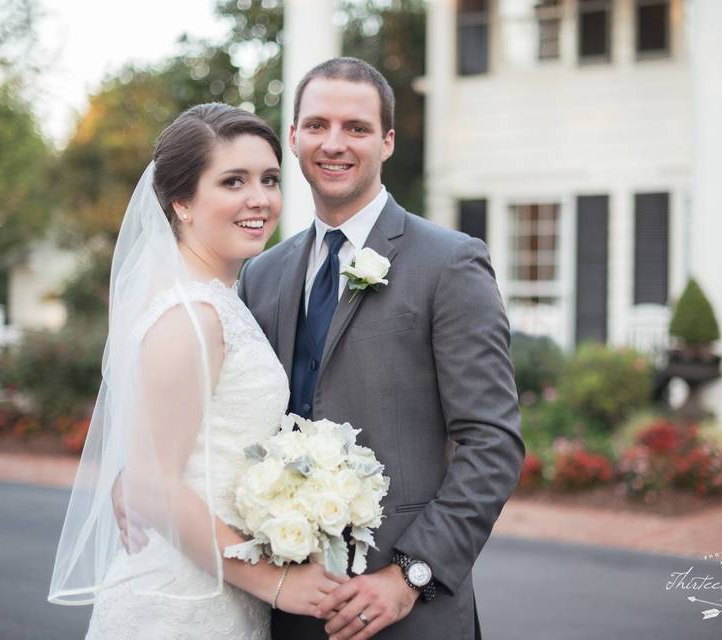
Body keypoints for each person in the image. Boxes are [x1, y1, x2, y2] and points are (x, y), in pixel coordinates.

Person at [237, 57, 525, 640]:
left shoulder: (450, 263)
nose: (334, 144)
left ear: (387, 141)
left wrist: (410, 575)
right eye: (316, 125)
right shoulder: (261, 275)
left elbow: (492, 442)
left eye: (357, 128)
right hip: (286, 606)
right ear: (292, 136)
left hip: (408, 612)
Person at [48, 103, 347, 639]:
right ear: (182, 202)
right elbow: (151, 488)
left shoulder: (223, 300)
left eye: (269, 179)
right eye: (233, 181)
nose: (259, 198)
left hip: (217, 590)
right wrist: (274, 584)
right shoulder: (190, 316)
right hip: (176, 602)